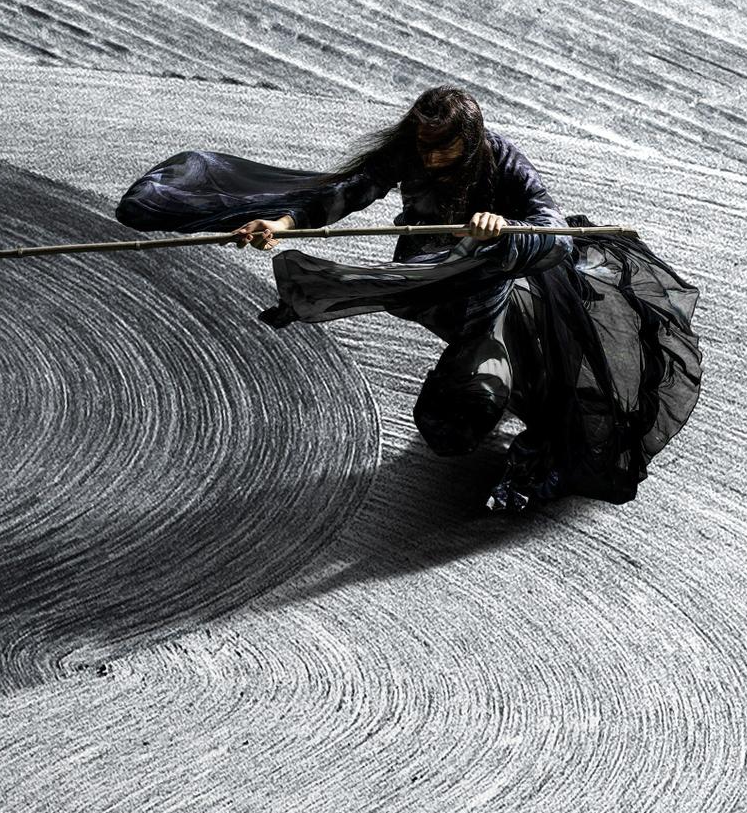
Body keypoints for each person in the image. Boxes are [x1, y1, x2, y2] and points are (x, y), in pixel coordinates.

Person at [116, 86, 700, 516]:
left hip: (495, 277)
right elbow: (349, 193)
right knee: (485, 355)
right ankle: (502, 403)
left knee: (505, 360)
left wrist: (505, 227)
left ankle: (530, 427)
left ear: (468, 142)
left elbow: (546, 222)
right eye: (424, 147)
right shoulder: (411, 150)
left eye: (443, 150)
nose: (431, 160)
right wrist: (285, 221)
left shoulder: (500, 158)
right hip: (427, 280)